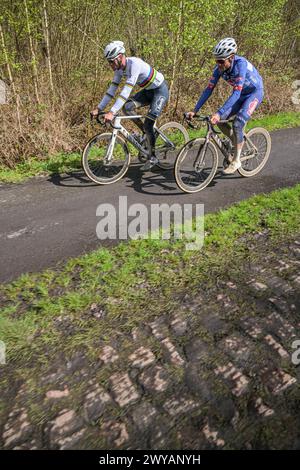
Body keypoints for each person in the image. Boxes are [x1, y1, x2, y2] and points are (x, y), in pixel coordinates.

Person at [186, 37, 264, 174]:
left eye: (221, 61)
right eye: (216, 61)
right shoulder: (219, 70)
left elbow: (236, 93)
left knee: (237, 123)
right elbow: (208, 90)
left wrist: (219, 112)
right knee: (220, 122)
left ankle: (237, 160)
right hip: (240, 95)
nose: (219, 64)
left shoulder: (240, 65)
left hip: (254, 94)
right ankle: (237, 142)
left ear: (231, 57)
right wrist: (194, 110)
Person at [91, 41, 169, 171]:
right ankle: (145, 134)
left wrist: (112, 112)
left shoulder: (134, 64)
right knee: (127, 108)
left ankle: (153, 157)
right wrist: (99, 108)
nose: (110, 65)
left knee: (149, 123)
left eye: (112, 61)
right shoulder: (119, 70)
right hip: (148, 91)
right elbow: (111, 92)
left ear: (120, 56)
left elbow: (126, 92)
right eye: (109, 62)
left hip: (160, 90)